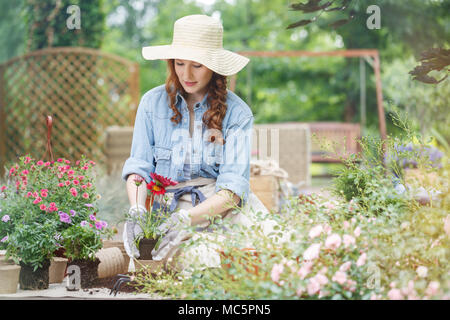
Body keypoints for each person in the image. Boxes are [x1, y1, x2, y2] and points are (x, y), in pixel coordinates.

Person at [121, 14, 268, 272]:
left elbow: (232, 191)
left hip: (220, 209)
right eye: (179, 63)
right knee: (184, 264)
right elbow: (139, 167)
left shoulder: (238, 113)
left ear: (214, 66)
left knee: (270, 255)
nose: (186, 74)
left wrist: (186, 219)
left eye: (197, 65)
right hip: (167, 209)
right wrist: (136, 210)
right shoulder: (151, 103)